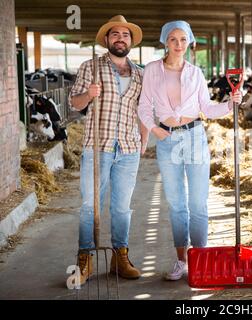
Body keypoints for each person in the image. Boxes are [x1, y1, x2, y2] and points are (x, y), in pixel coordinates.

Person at [138, 20, 242, 281]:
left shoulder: (196, 73)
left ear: (190, 42)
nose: (178, 45)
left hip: (194, 137)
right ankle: (181, 260)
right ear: (165, 41)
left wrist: (230, 104)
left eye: (183, 40)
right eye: (173, 39)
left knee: (197, 203)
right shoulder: (152, 70)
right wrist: (155, 129)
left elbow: (206, 109)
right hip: (167, 140)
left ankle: (201, 258)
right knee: (176, 204)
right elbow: (143, 106)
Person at [70, 15, 148, 285]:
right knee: (89, 206)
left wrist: (144, 140)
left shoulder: (140, 73)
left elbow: (143, 111)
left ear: (131, 42)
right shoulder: (90, 67)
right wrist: (88, 95)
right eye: (115, 34)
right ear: (106, 40)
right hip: (97, 147)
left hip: (128, 149)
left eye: (125, 35)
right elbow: (74, 104)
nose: (120, 39)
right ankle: (85, 259)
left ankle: (120, 256)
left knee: (122, 208)